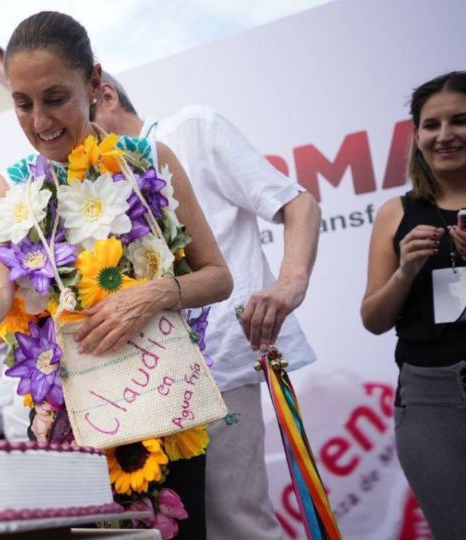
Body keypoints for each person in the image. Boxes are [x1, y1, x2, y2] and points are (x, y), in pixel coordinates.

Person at [0, 12, 233, 535]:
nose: (39, 121)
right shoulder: (8, 191)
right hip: (66, 415)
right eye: (23, 104)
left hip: (163, 404)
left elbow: (217, 277)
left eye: (55, 97)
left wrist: (153, 294)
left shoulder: (149, 161)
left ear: (93, 83)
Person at [93, 73, 321, 539]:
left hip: (218, 367)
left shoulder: (191, 129)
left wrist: (290, 282)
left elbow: (299, 205)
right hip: (137, 388)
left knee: (234, 521)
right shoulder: (90, 182)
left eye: (72, 106)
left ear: (106, 95)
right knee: (157, 530)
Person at [361, 71, 466, 540]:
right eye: (432, 124)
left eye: (460, 121)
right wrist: (405, 271)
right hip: (429, 401)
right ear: (417, 135)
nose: (445, 135)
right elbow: (374, 319)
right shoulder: (396, 213)